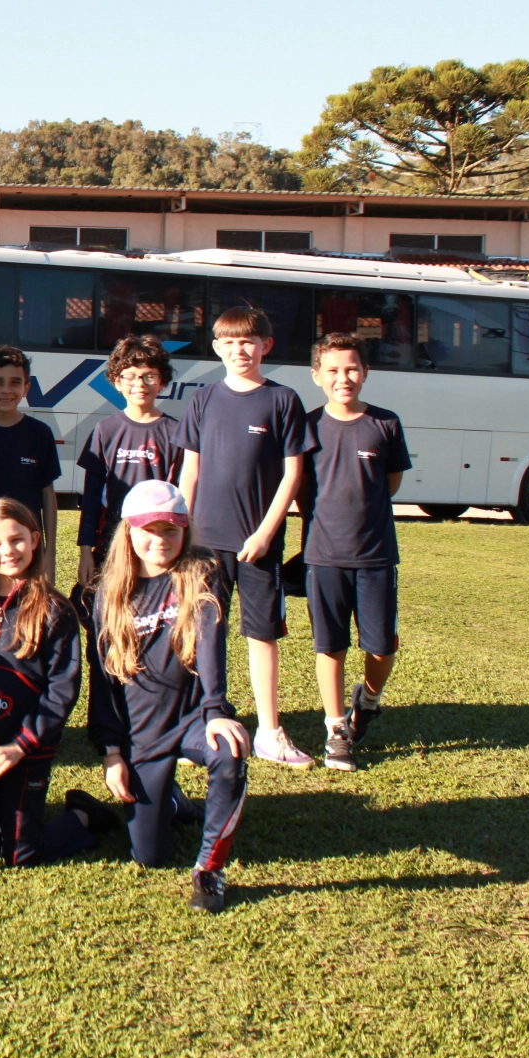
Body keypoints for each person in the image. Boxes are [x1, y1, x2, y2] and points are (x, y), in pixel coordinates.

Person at [83, 480, 249, 913]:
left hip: (193, 716)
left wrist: (215, 710)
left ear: (186, 530)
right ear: (129, 533)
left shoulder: (201, 575)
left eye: (171, 530)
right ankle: (172, 800)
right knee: (149, 856)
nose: (160, 540)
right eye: (149, 530)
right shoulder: (107, 594)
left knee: (229, 753)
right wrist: (112, 753)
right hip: (143, 732)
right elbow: (103, 682)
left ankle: (209, 872)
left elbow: (212, 648)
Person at [0, 499, 112, 867]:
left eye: (17, 540)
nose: (8, 551)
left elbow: (62, 691)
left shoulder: (55, 611)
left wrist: (19, 746)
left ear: (34, 539)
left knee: (20, 854)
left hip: (28, 749)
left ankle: (85, 815)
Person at [177, 306, 316, 769]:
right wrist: (183, 528)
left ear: (265, 346)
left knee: (262, 635)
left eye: (248, 341)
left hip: (258, 545)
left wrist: (265, 532)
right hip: (204, 543)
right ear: (216, 347)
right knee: (202, 632)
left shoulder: (283, 400)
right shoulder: (203, 399)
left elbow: (293, 474)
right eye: (229, 342)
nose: (240, 350)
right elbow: (190, 469)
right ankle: (204, 719)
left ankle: (269, 732)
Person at [299, 332, 410, 772]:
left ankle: (369, 699)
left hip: (377, 555)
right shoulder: (307, 427)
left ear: (365, 373)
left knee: (382, 646)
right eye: (333, 370)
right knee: (331, 645)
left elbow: (390, 483)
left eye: (351, 369)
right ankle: (336, 730)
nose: (343, 378)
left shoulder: (385, 423)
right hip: (323, 556)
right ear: (317, 376)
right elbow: (302, 490)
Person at [77, 335, 184, 589]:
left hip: (157, 545)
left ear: (162, 382)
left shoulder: (175, 433)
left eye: (149, 376)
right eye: (130, 376)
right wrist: (85, 551)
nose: (140, 384)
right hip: (113, 544)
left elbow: (183, 496)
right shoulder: (105, 430)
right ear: (117, 382)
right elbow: (91, 498)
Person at [0, 347, 61, 585]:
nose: (6, 390)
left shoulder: (40, 433)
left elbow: (48, 495)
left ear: (26, 388)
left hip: (27, 548)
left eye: (15, 382)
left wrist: (49, 553)